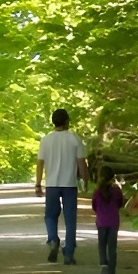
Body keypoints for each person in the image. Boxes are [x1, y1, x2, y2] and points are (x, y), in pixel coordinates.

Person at [35, 108, 88, 265]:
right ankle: (69, 253)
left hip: (51, 184)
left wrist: (38, 184)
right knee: (70, 219)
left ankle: (52, 239)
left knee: (50, 216)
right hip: (69, 185)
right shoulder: (74, 139)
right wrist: (85, 179)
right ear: (67, 121)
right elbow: (81, 163)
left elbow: (40, 163)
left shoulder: (46, 140)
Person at [91, 167, 124, 274]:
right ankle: (112, 270)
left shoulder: (97, 191)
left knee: (102, 244)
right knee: (112, 246)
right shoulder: (116, 190)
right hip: (113, 221)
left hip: (101, 221)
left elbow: (94, 206)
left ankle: (103, 264)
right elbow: (121, 203)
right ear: (113, 176)